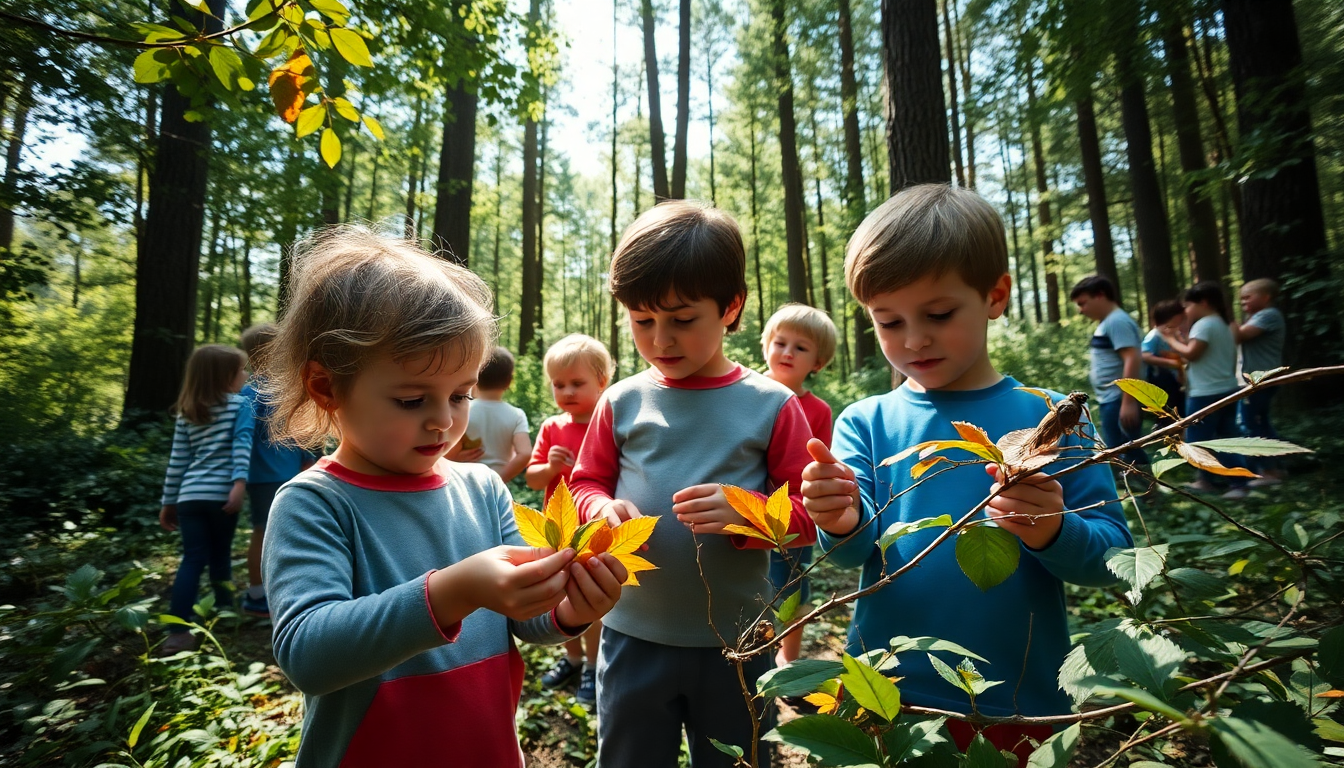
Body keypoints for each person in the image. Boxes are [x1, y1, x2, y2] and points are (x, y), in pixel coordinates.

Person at [257, 227, 626, 767]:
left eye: (461, 395)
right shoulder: (316, 503)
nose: (443, 420)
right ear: (326, 386)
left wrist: (573, 608)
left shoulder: (482, 488)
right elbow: (307, 653)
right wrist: (453, 591)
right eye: (411, 399)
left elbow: (523, 621)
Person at [800, 185, 1132, 762]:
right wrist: (839, 518)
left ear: (995, 295)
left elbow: (1115, 554)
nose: (914, 339)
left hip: (1018, 695)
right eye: (888, 321)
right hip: (887, 694)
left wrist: (1055, 529)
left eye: (939, 313)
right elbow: (852, 556)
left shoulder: (1052, 416)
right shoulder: (867, 421)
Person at [569, 200, 817, 767]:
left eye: (683, 319)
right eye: (642, 321)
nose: (661, 339)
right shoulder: (621, 400)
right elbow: (585, 482)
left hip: (737, 643)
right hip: (632, 633)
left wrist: (747, 512)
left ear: (731, 308)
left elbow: (806, 516)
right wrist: (598, 510)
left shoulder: (771, 405)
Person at [527, 333, 615, 705]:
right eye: (558, 384)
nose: (566, 391)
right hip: (555, 528)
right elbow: (532, 478)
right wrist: (550, 467)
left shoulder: (607, 423)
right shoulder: (552, 427)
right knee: (558, 596)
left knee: (587, 598)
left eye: (577, 383)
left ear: (602, 382)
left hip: (592, 531)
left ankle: (594, 666)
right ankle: (573, 658)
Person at [158, 343, 255, 654]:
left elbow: (178, 461)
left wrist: (168, 502)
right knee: (220, 555)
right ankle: (224, 611)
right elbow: (242, 445)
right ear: (224, 375)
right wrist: (239, 484)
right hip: (220, 496)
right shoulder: (240, 405)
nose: (246, 374)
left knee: (192, 558)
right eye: (241, 369)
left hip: (189, 497)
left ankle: (177, 630)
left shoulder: (188, 411)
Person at [759, 303, 837, 670]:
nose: (787, 352)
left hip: (794, 516)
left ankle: (788, 661)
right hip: (748, 512)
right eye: (780, 342)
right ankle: (752, 652)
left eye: (800, 347)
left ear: (817, 362)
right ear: (766, 346)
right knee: (752, 587)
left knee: (791, 586)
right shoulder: (747, 391)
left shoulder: (818, 410)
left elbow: (816, 466)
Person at [237, 323, 315, 618]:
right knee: (265, 531)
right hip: (272, 474)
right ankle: (257, 595)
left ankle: (270, 590)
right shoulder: (269, 391)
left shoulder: (251, 390)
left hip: (273, 473)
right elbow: (292, 429)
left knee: (271, 531)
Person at [1160, 281, 1249, 499]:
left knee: (1199, 439)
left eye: (1188, 305)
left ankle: (1217, 482)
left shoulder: (1205, 324)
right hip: (1226, 388)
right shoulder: (1221, 323)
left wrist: (1170, 339)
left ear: (1204, 302)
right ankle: (1233, 481)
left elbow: (1192, 354)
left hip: (1206, 392)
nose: (1186, 311)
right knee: (1227, 436)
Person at [1070, 275, 1149, 468]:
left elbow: (1132, 357)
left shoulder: (1117, 321)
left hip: (1119, 398)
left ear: (1100, 295)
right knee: (1120, 447)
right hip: (1112, 398)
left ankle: (1145, 490)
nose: (1081, 310)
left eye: (1083, 303)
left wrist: (1128, 402)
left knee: (1126, 448)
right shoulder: (1109, 322)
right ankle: (1138, 489)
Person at [1231, 278, 1286, 485]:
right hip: (1258, 381)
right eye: (1241, 299)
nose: (1243, 302)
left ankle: (1268, 471)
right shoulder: (1259, 316)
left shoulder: (1268, 315)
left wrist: (1225, 317)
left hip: (1260, 381)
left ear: (1266, 297)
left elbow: (1239, 336)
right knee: (1261, 422)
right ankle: (1275, 469)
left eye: (1247, 297)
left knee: (1249, 424)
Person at [456, 346, 531, 483]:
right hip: (497, 485)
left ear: (476, 377)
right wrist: (500, 479)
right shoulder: (516, 415)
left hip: (465, 481)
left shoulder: (463, 410)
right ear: (509, 381)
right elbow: (525, 453)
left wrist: (456, 458)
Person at [1141, 300, 1187, 426]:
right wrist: (1172, 363)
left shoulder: (1175, 333)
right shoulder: (1154, 335)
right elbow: (1145, 355)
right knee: (1169, 413)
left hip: (1178, 381)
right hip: (1163, 382)